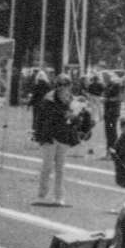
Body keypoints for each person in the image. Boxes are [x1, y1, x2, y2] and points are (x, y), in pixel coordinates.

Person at [31, 76, 77, 206]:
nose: (64, 87)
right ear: (57, 86)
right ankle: (41, 194)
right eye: (61, 85)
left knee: (60, 168)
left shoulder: (72, 100)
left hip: (63, 136)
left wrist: (74, 118)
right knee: (47, 167)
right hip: (49, 136)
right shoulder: (49, 98)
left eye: (66, 85)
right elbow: (42, 117)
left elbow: (76, 120)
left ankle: (59, 196)